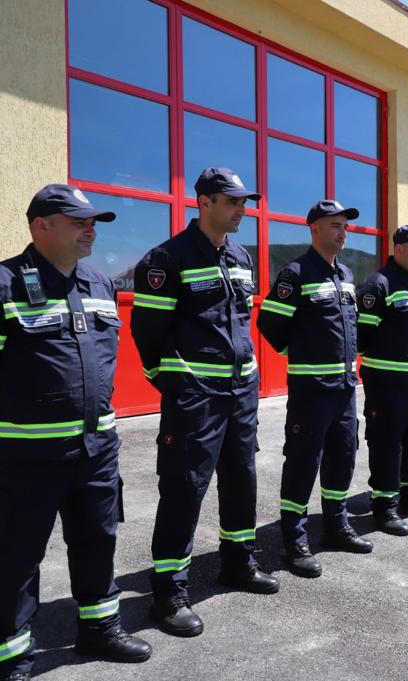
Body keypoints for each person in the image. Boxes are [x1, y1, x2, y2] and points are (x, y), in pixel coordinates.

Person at [0, 185, 152, 679]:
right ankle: (13, 655)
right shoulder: (5, 283)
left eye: (94, 222)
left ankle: (100, 629)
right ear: (40, 225)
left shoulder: (99, 283)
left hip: (97, 448)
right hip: (27, 454)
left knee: (97, 540)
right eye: (78, 220)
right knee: (18, 554)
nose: (91, 229)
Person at [132, 168, 278, 639]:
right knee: (184, 489)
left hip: (240, 396)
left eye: (244, 201)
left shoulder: (240, 255)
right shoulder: (167, 258)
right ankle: (169, 592)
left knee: (242, 479)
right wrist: (174, 385)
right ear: (205, 202)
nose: (242, 209)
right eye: (233, 201)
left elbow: (240, 323)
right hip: (197, 401)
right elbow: (146, 334)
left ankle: (237, 562)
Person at [256, 200, 373, 579]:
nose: (342, 232)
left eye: (345, 226)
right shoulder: (297, 273)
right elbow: (270, 323)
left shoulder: (347, 274)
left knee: (344, 456)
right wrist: (300, 351)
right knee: (304, 462)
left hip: (343, 388)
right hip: (311, 389)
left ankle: (336, 525)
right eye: (334, 225)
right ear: (315, 230)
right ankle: (295, 539)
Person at [356, 225, 408, 535]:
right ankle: (384, 506)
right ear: (399, 249)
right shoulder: (379, 284)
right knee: (387, 444)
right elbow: (361, 336)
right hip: (387, 384)